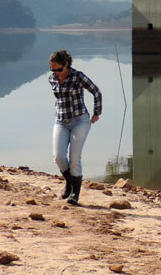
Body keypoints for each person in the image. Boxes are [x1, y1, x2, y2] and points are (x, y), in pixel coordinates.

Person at [49, 49, 101, 205]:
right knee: (58, 157)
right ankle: (69, 183)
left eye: (59, 69)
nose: (56, 72)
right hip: (61, 121)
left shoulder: (78, 76)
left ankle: (75, 194)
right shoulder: (52, 79)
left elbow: (96, 91)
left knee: (74, 158)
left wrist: (96, 112)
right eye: (53, 69)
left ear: (66, 64)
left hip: (80, 121)